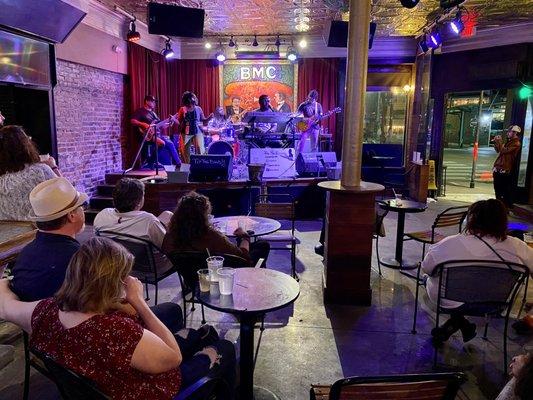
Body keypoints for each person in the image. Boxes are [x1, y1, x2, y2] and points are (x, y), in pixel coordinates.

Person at [0, 237, 236, 399]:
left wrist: (5, 282)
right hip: (151, 389)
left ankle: (205, 337)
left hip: (103, 384)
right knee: (224, 347)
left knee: (202, 334)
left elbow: (5, 306)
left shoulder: (45, 311)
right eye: (125, 276)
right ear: (111, 284)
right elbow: (173, 357)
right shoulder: (116, 331)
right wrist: (138, 301)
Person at [422, 199, 532, 344]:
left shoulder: (449, 244)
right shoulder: (518, 246)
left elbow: (427, 268)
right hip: (496, 304)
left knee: (426, 278)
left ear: (471, 219)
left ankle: (459, 323)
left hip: (450, 301)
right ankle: (461, 325)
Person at [10, 177, 87, 302]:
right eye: (81, 207)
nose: (84, 211)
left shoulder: (25, 253)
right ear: (72, 216)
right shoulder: (82, 258)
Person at [162, 192, 270, 272]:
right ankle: (257, 281)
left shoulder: (171, 235)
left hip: (193, 278)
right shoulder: (210, 236)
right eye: (207, 214)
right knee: (262, 245)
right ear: (202, 216)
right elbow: (243, 257)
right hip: (223, 276)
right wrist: (244, 237)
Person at [0, 125, 61, 221]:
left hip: (8, 235)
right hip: (40, 233)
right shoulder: (39, 171)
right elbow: (69, 196)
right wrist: (53, 167)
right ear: (25, 146)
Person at [93, 178, 171, 248]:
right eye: (143, 195)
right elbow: (167, 246)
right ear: (138, 202)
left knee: (167, 214)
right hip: (148, 263)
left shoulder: (102, 215)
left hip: (114, 261)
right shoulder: (149, 221)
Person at [131, 95, 181, 168]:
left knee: (170, 143)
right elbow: (133, 121)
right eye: (153, 101)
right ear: (147, 101)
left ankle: (178, 163)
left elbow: (161, 126)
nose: (154, 103)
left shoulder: (154, 114)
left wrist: (170, 122)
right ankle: (151, 162)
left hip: (157, 134)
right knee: (162, 143)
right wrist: (144, 124)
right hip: (147, 135)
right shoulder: (140, 111)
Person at [176, 91, 212, 163]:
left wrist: (209, 118)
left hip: (197, 131)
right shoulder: (182, 109)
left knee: (201, 149)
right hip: (186, 133)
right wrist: (183, 119)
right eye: (189, 102)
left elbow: (203, 121)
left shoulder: (198, 109)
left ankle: (201, 165)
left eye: (194, 99)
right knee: (186, 152)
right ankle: (188, 168)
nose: (191, 104)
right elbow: (179, 123)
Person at [493, 125, 522, 210]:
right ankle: (500, 207)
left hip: (505, 169)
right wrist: (496, 142)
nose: (508, 133)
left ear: (514, 133)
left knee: (502, 190)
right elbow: (498, 150)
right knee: (497, 189)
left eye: (509, 132)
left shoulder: (516, 143)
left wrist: (500, 142)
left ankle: (502, 208)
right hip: (499, 168)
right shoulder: (509, 141)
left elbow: (504, 150)